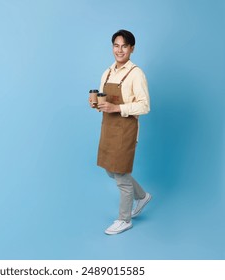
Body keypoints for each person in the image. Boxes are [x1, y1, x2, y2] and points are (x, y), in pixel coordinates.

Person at [89, 29, 151, 235]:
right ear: (112, 47)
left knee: (122, 176)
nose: (120, 50)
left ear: (132, 48)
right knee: (111, 170)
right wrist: (97, 103)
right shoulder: (107, 72)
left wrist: (117, 108)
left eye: (124, 46)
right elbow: (103, 97)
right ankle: (142, 196)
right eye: (116, 45)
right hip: (108, 128)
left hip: (125, 130)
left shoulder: (136, 74)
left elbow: (145, 106)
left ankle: (124, 220)